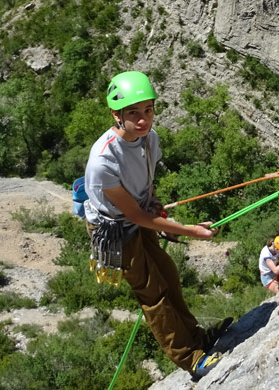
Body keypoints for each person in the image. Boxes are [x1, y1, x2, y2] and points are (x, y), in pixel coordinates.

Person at [82, 71, 224, 380]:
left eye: (148, 110)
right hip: (115, 230)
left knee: (169, 276)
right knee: (153, 293)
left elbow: (145, 184)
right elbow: (133, 216)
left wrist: (157, 204)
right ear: (116, 114)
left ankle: (197, 338)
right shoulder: (103, 161)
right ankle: (190, 358)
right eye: (133, 112)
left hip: (139, 214)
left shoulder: (149, 139)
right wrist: (189, 230)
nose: (143, 119)